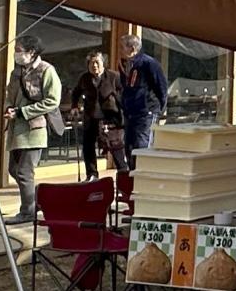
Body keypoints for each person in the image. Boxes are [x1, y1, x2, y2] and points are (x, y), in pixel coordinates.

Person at [4, 34, 63, 224]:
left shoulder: (47, 71)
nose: (16, 54)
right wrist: (8, 108)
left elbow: (52, 101)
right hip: (16, 128)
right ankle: (39, 201)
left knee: (24, 171)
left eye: (19, 51)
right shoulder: (17, 72)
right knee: (13, 169)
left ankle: (27, 211)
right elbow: (9, 95)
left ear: (31, 52)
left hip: (35, 127)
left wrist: (23, 112)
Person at [67, 50, 125, 181]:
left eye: (97, 63)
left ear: (103, 64)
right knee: (88, 147)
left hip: (111, 119)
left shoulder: (113, 77)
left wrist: (124, 113)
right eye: (91, 63)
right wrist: (74, 106)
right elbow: (75, 93)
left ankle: (123, 177)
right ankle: (92, 175)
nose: (94, 66)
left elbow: (124, 96)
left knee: (116, 149)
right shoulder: (85, 78)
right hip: (91, 117)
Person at [118, 34, 168, 169]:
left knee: (142, 145)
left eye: (123, 47)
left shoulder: (148, 63)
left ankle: (143, 176)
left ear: (132, 48)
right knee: (129, 146)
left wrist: (160, 110)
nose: (120, 51)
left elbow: (161, 86)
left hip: (146, 112)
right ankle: (132, 177)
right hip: (130, 113)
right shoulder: (125, 65)